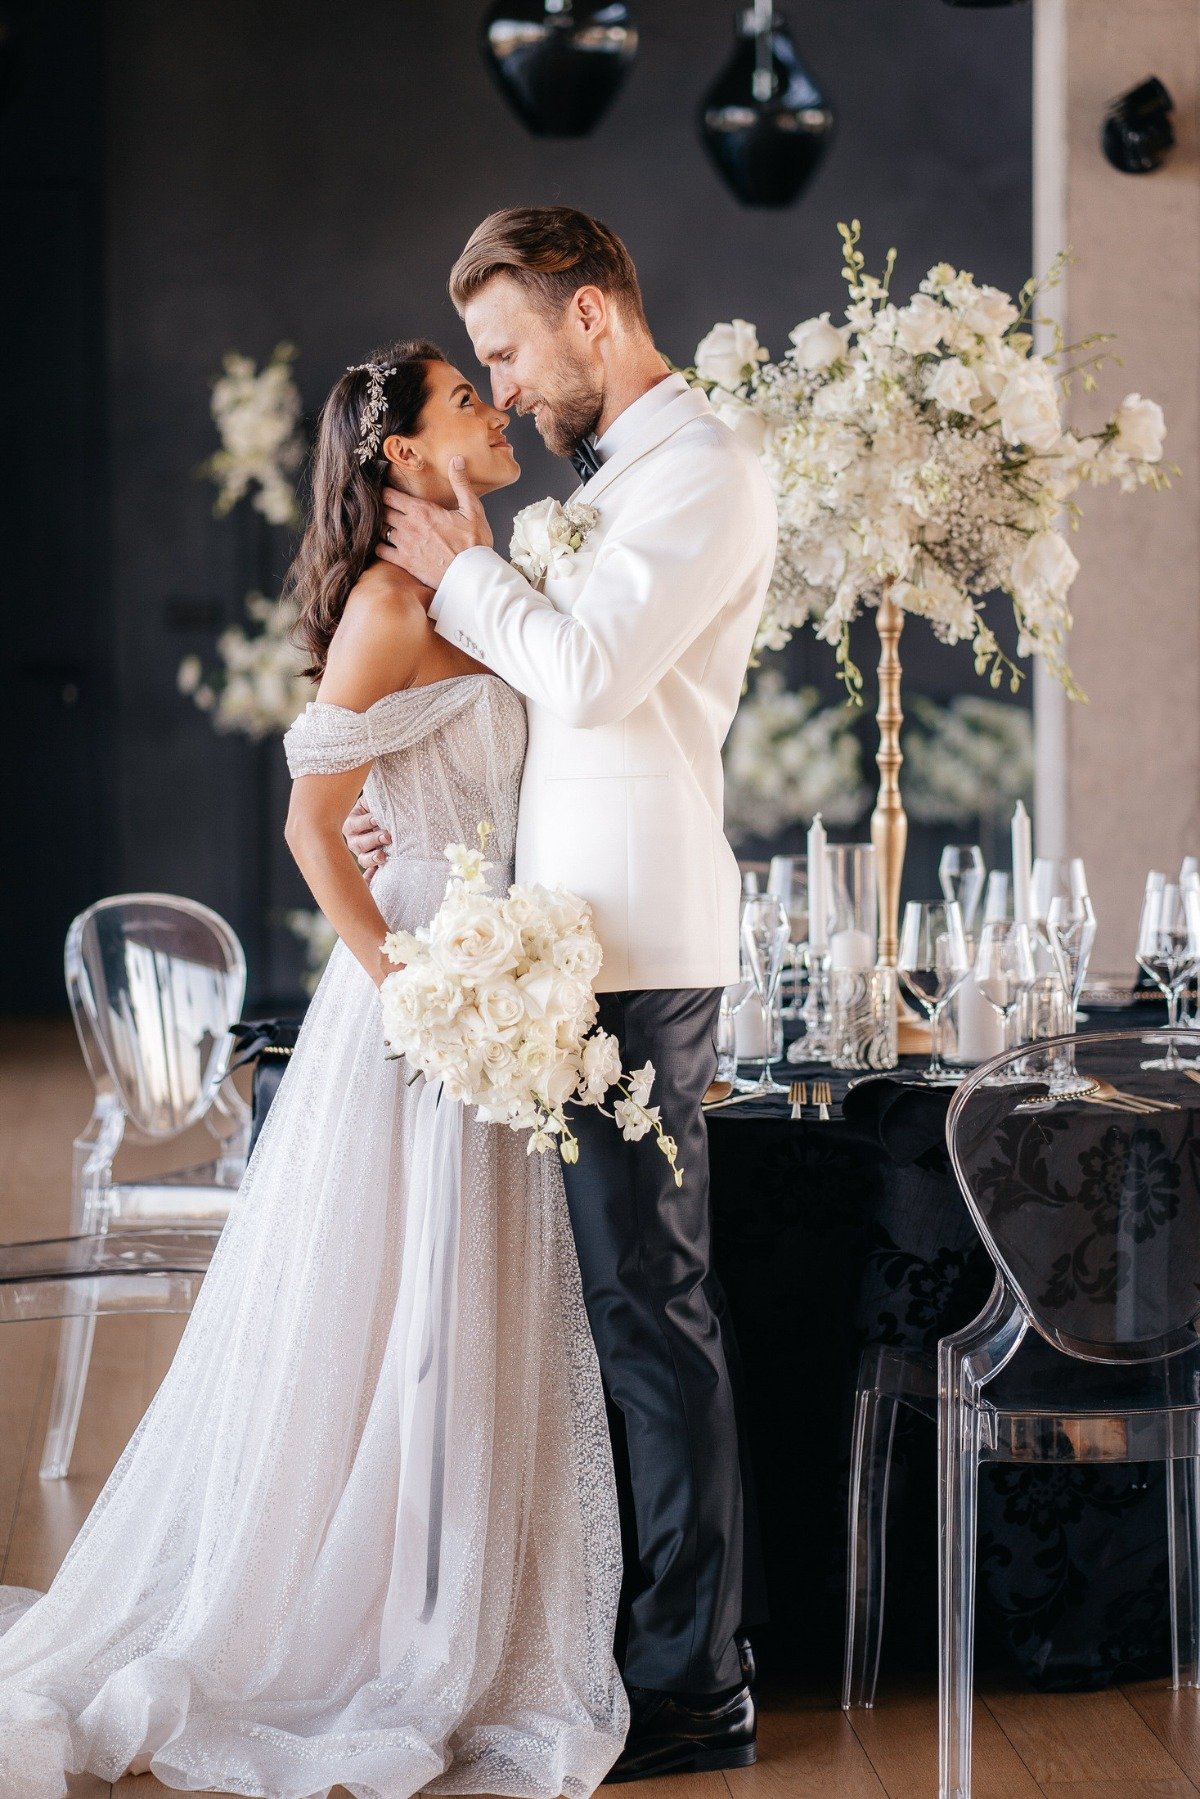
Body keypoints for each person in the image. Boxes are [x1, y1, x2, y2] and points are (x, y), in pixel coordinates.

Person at [0, 339, 629, 1799]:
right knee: (399, 1300)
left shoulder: (480, 579)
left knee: (469, 1298)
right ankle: (376, 1624)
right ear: (402, 453)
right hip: (421, 994)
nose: (494, 407)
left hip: (496, 972)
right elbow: (311, 822)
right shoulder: (389, 604)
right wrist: (406, 980)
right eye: (467, 401)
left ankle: (454, 1605)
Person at [355, 206, 777, 1783]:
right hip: (561, 942)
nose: (506, 388)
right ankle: (610, 1646)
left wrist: (466, 577)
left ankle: (696, 1686)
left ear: (593, 316)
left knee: (652, 1320)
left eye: (511, 350)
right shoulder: (617, 481)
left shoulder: (708, 471)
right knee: (604, 1321)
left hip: (643, 953)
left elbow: (593, 672)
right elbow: (563, 709)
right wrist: (429, 798)